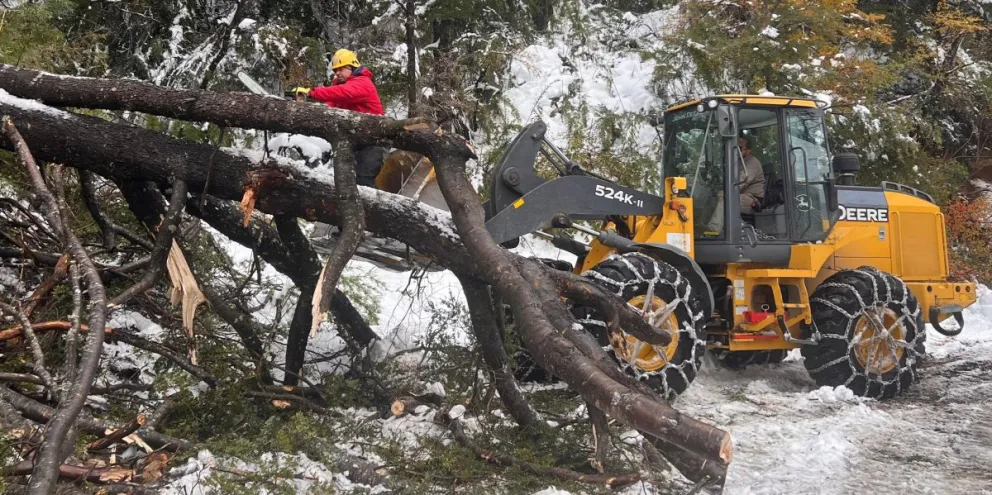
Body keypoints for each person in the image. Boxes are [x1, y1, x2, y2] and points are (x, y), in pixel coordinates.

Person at [292, 48, 386, 187]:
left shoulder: (363, 83)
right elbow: (330, 107)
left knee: (364, 179)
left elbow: (341, 93)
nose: (337, 73)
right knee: (347, 180)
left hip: (374, 141)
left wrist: (312, 93)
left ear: (351, 66)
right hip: (357, 141)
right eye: (335, 70)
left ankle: (376, 208)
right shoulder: (343, 87)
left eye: (340, 69)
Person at [705, 136, 765, 233]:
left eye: (740, 148)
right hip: (739, 195)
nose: (737, 150)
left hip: (752, 198)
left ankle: (714, 229)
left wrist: (726, 192)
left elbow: (741, 182)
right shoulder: (738, 162)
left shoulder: (752, 163)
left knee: (726, 199)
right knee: (711, 197)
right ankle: (702, 227)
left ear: (748, 150)